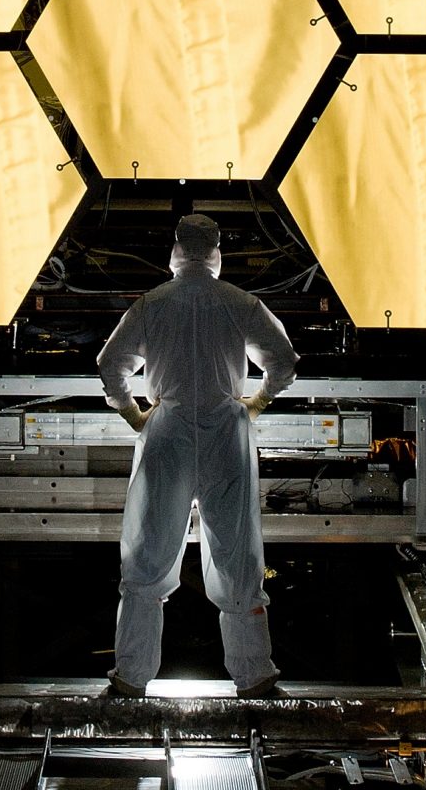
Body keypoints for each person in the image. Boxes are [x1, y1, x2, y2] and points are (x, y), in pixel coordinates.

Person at [98, 213, 298, 699]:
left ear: (175, 250)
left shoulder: (151, 305)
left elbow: (110, 365)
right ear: (216, 251)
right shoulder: (239, 303)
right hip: (225, 429)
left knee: (148, 552)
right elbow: (284, 361)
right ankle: (254, 676)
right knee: (236, 551)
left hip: (167, 429)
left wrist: (132, 413)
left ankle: (131, 678)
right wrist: (258, 401)